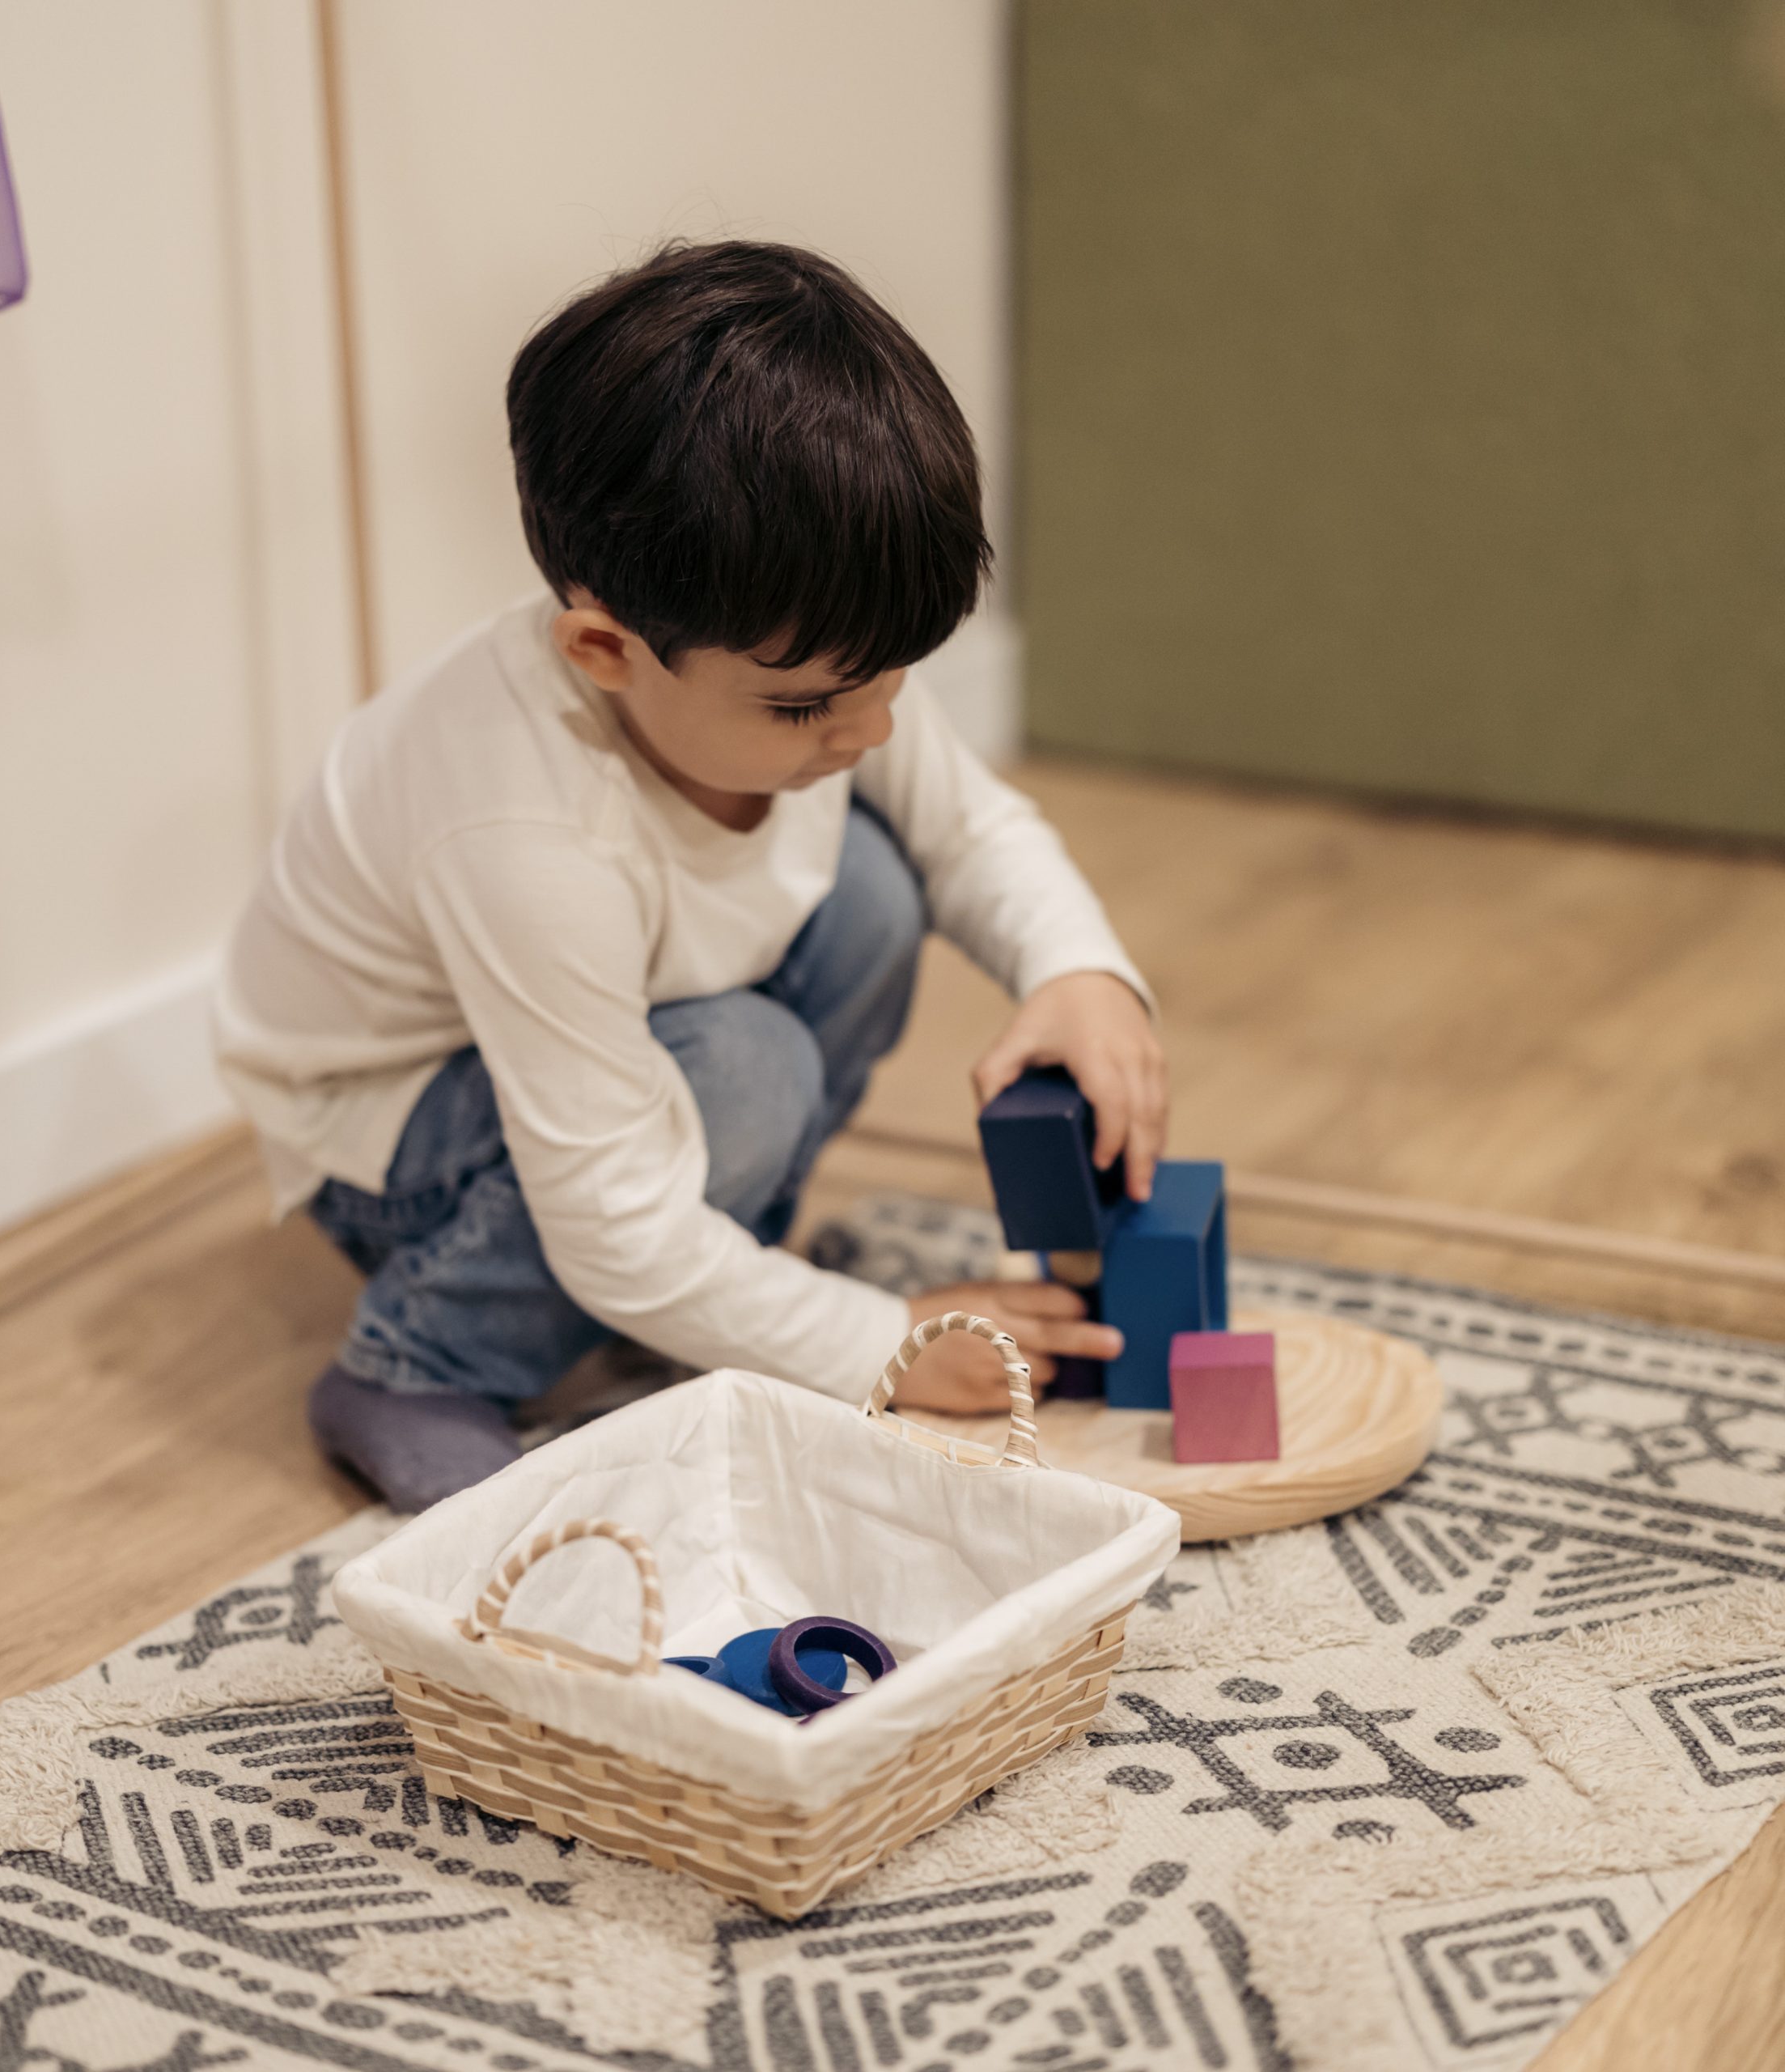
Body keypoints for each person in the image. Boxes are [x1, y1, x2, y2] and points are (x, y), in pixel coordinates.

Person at [213, 240, 1168, 1510]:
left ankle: (723, 1269)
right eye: (811, 705)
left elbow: (971, 832)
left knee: (874, 893)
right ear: (605, 650)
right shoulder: (522, 829)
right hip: (390, 1136)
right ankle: (419, 1359)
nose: (874, 728)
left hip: (597, 1049)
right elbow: (615, 1223)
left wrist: (1081, 972)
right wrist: (878, 1345)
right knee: (749, 1070)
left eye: (896, 677)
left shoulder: (818, 659)